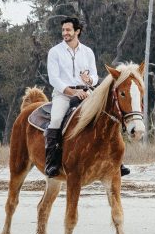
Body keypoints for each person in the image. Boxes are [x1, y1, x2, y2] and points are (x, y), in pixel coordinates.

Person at [44, 17, 130, 177]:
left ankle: (117, 160)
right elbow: (54, 79)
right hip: (63, 95)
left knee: (107, 115)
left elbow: (95, 77)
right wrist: (73, 92)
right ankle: (52, 162)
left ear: (77, 31)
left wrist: (89, 80)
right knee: (56, 120)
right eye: (63, 30)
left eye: (68, 30)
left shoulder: (87, 52)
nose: (65, 33)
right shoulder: (55, 52)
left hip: (87, 92)